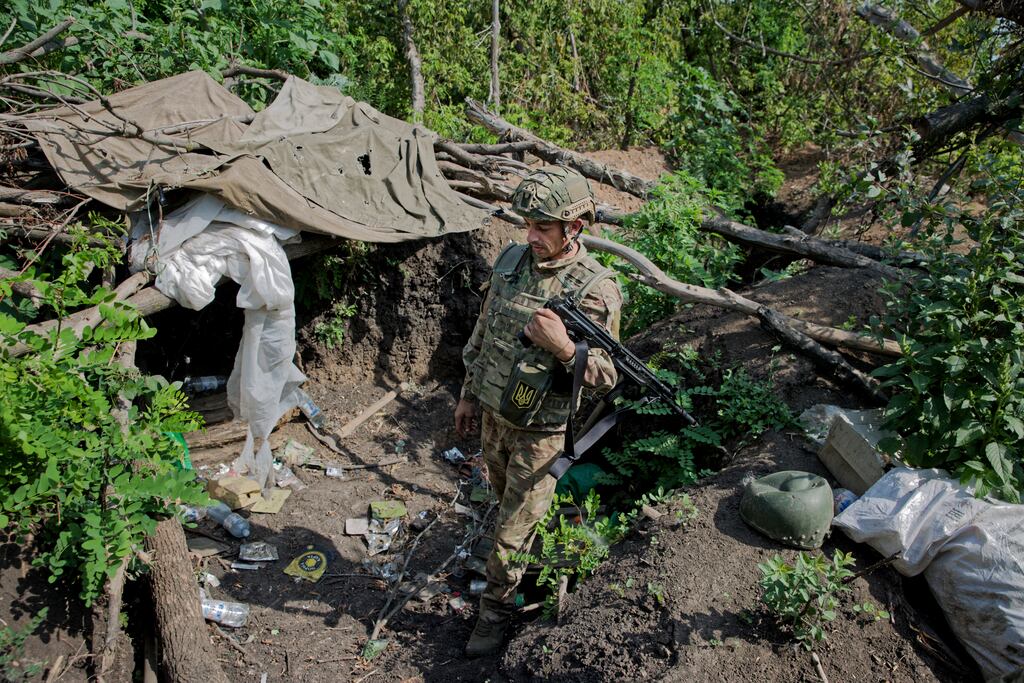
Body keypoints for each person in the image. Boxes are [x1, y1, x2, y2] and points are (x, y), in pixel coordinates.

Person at [454, 165, 623, 657]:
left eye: (542, 228)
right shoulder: (511, 260)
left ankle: (494, 617)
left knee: (509, 534)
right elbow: (484, 334)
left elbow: (608, 376)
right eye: (527, 224)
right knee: (502, 508)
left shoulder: (595, 288)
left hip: (540, 433)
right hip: (493, 416)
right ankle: (524, 565)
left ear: (574, 227)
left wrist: (567, 350)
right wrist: (467, 392)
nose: (529, 236)